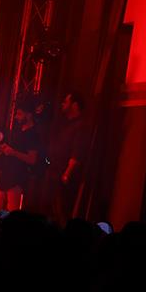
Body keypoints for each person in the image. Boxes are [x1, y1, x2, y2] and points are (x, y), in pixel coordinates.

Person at [0, 96, 43, 212]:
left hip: (17, 178)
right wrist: (2, 148)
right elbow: (13, 149)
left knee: (12, 209)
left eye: (19, 114)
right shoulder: (18, 129)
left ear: (28, 115)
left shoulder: (33, 134)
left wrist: (13, 153)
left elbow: (32, 159)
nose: (16, 117)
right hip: (6, 174)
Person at [44, 91, 88, 224]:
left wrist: (67, 174)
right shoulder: (65, 124)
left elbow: (77, 153)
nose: (62, 104)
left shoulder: (80, 126)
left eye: (66, 101)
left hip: (63, 175)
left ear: (75, 105)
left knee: (62, 210)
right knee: (53, 209)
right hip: (54, 171)